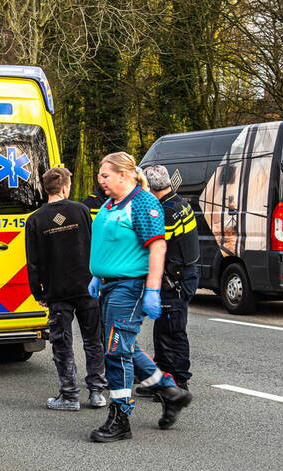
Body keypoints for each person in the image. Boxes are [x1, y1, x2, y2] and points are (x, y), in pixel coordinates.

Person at [87, 152, 193, 443]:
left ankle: (120, 418)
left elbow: (158, 247)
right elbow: (110, 241)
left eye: (105, 175)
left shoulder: (143, 202)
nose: (100, 180)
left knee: (116, 350)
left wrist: (153, 290)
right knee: (122, 345)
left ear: (124, 174)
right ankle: (170, 391)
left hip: (129, 287)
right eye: (100, 175)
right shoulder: (111, 204)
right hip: (110, 285)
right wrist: (98, 273)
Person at [24, 167, 107, 411]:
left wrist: (37, 292)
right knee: (93, 340)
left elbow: (33, 261)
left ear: (46, 188)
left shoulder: (36, 220)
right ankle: (96, 392)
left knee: (62, 343)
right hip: (86, 286)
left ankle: (69, 395)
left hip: (57, 290)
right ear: (64, 187)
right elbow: (95, 245)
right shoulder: (81, 211)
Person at [143, 164, 199, 395]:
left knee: (173, 332)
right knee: (164, 330)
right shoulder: (180, 203)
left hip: (175, 280)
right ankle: (162, 379)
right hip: (183, 275)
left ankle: (178, 382)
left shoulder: (165, 212)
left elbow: (157, 246)